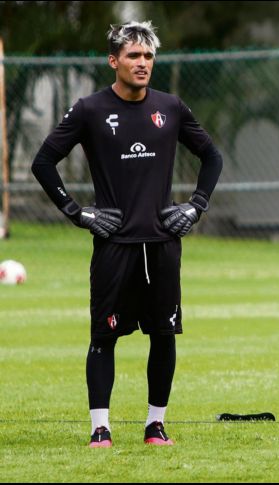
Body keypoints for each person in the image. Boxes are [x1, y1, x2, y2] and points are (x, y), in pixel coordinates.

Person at [31, 20, 223, 448]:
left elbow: (211, 156)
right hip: (114, 245)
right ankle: (101, 428)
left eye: (149, 56)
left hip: (162, 244)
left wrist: (196, 205)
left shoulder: (171, 108)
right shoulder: (89, 110)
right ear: (113, 60)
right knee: (103, 337)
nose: (143, 63)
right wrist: (77, 213)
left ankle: (156, 425)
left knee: (164, 334)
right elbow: (43, 163)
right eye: (134, 55)